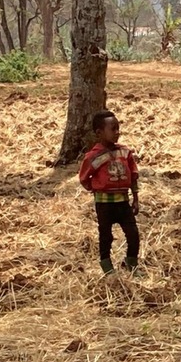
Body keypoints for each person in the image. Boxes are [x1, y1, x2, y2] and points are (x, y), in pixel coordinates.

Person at [78, 110, 140, 274]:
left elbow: (133, 175)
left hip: (123, 203)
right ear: (99, 133)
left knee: (133, 234)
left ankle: (131, 263)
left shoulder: (125, 152)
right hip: (104, 204)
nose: (117, 132)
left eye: (118, 128)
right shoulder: (93, 157)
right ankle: (106, 266)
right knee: (106, 235)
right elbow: (84, 178)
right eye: (113, 129)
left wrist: (136, 198)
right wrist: (98, 187)